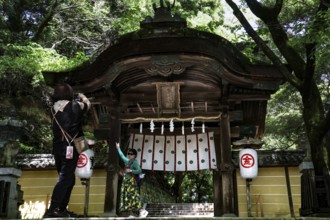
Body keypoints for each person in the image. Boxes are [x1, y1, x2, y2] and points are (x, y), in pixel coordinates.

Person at [44, 83, 90, 218]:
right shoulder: (75, 106)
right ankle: (52, 209)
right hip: (70, 147)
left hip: (57, 148)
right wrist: (82, 96)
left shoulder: (52, 108)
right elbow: (87, 105)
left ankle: (61, 209)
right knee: (65, 178)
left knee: (68, 178)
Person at [115, 142, 148, 218]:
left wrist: (131, 171)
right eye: (129, 154)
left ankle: (142, 211)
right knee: (127, 198)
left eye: (131, 154)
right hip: (126, 181)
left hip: (131, 182)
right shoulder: (127, 161)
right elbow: (122, 155)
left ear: (135, 155)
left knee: (133, 197)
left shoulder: (134, 162)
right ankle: (131, 214)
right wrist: (118, 148)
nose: (129, 155)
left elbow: (139, 170)